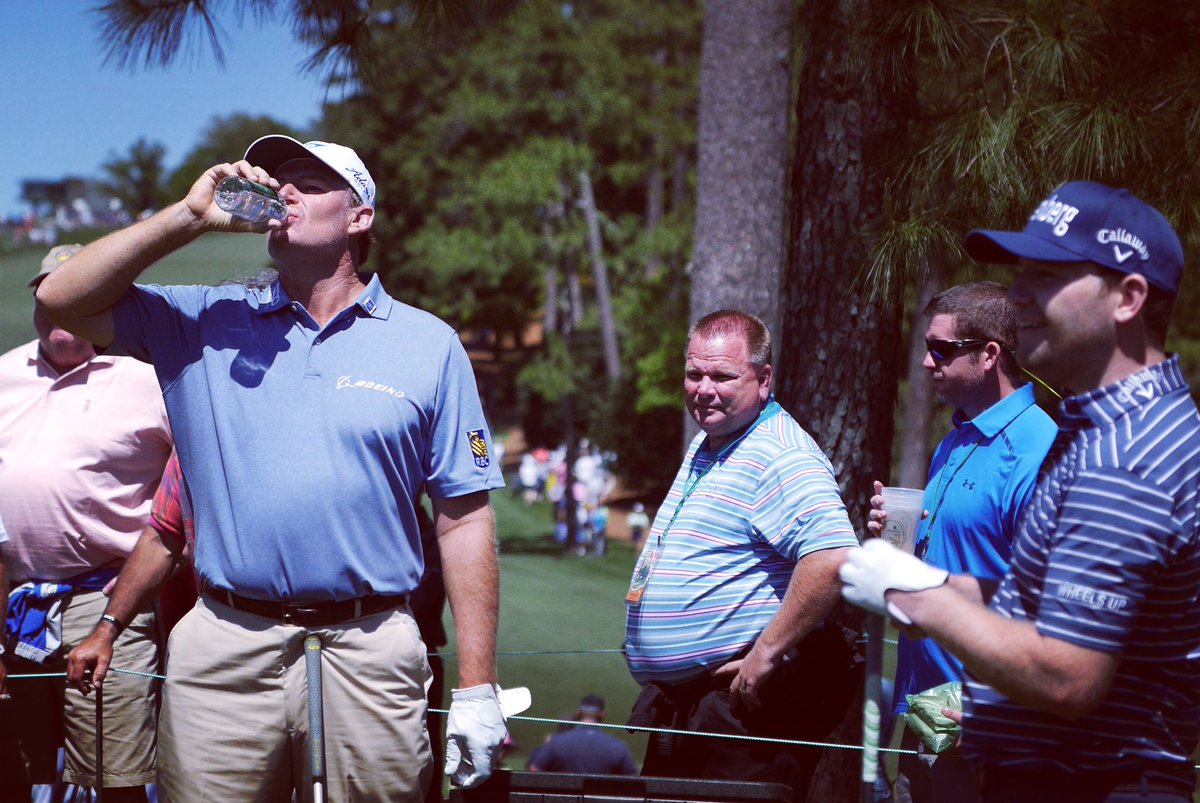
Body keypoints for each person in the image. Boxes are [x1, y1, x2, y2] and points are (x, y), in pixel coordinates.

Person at [39, 135, 508, 802]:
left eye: (310, 183)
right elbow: (63, 299)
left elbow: (465, 520)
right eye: (279, 178)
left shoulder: (429, 345)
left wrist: (478, 686)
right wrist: (188, 218)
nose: (284, 190)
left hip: (370, 644)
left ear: (359, 215)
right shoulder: (201, 319)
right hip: (225, 641)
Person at [841, 181, 1200, 802]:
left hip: (1093, 785)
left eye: (1048, 276)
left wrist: (922, 603)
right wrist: (919, 583)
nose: (1018, 297)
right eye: (1022, 273)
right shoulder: (1100, 431)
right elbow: (1032, 597)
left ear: (1130, 298)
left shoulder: (1126, 456)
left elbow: (1067, 676)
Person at [624, 309, 860, 802]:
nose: (703, 388)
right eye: (694, 374)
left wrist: (766, 653)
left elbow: (833, 556)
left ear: (763, 379)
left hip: (741, 713)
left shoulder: (780, 452)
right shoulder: (712, 439)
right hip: (689, 708)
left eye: (722, 376)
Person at [867, 282, 1057, 803]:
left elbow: (1047, 601)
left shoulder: (1037, 449)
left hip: (984, 723)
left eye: (942, 350)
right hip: (928, 713)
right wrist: (898, 535)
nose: (927, 363)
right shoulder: (956, 437)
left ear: (989, 353)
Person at [0, 244, 173, 802]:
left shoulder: (145, 378)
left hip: (106, 601)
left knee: (111, 773)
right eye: (49, 297)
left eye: (78, 298)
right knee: (21, 768)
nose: (58, 314)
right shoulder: (3, 375)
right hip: (14, 600)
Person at [528, 693, 637, 775]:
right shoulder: (618, 747)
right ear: (603, 715)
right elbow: (633, 782)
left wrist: (546, 747)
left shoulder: (556, 742)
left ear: (578, 713)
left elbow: (534, 770)